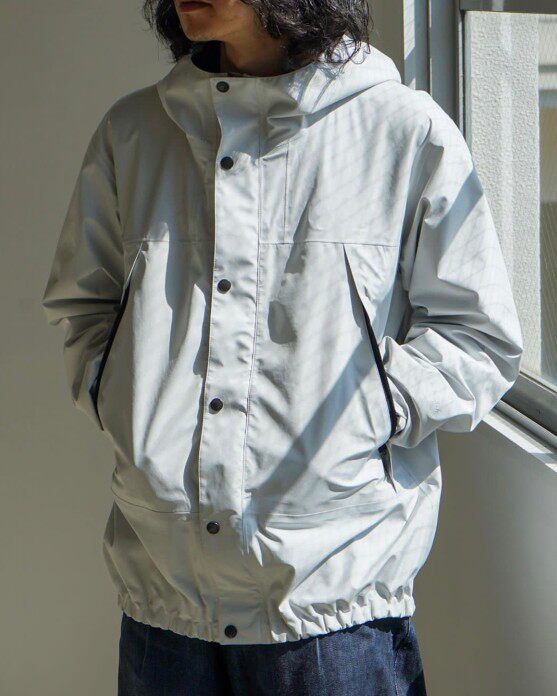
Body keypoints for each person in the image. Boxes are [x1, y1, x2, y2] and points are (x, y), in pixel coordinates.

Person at [41, 0, 524, 694]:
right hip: (163, 602)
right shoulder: (135, 131)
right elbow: (82, 304)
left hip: (334, 611)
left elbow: (478, 337)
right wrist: (122, 400)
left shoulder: (400, 129)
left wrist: (368, 414)